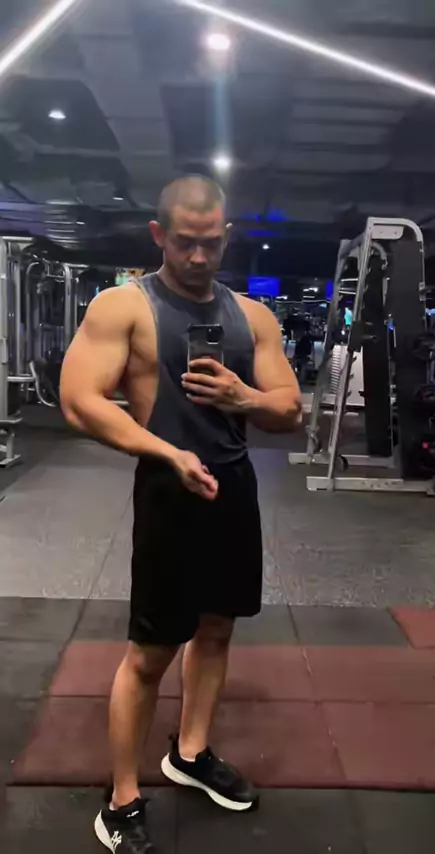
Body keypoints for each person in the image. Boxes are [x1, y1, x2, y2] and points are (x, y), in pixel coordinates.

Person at [60, 175, 302, 854]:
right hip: (169, 491)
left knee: (218, 628)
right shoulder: (124, 306)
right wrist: (168, 452)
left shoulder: (254, 317)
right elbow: (78, 399)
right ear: (159, 235)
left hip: (234, 488)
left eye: (211, 243)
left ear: (227, 237)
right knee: (151, 651)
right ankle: (121, 801)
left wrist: (244, 398)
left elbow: (289, 407)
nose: (199, 256)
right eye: (185, 242)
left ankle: (189, 754)